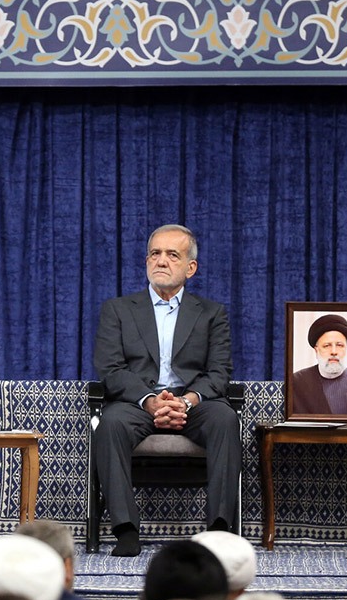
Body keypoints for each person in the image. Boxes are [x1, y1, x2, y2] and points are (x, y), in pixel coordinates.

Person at [93, 224, 241, 556]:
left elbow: (219, 372)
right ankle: (126, 529)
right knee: (110, 424)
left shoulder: (211, 314)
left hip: (192, 404)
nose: (161, 261)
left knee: (225, 419)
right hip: (137, 404)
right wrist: (150, 401)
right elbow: (111, 368)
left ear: (191, 267)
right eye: (155, 253)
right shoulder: (118, 310)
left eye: (172, 255)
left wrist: (185, 402)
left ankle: (219, 530)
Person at [288, 313, 347, 415]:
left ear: (346, 349)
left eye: (339, 345)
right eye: (327, 346)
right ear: (316, 350)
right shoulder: (296, 383)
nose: (334, 351)